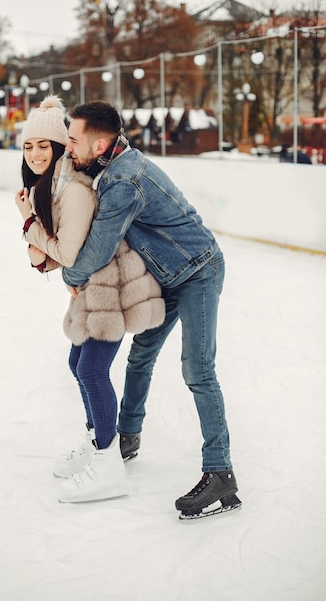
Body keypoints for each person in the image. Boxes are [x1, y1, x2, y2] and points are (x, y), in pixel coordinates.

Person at [62, 100, 241, 518]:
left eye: (73, 140)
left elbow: (99, 248)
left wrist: (71, 278)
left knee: (198, 370)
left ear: (101, 142)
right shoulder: (112, 164)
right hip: (170, 275)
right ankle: (127, 436)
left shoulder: (124, 180)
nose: (69, 147)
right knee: (140, 357)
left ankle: (220, 473)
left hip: (197, 271)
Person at [14, 95, 165, 504]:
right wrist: (38, 242)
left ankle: (107, 461)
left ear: (64, 147)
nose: (35, 154)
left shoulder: (74, 190)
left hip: (109, 287)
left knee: (93, 370)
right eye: (28, 146)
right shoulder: (51, 186)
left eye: (45, 145)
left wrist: (29, 225)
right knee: (78, 363)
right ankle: (98, 440)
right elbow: (44, 259)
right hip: (94, 286)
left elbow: (64, 254)